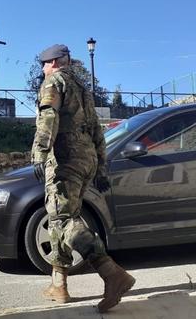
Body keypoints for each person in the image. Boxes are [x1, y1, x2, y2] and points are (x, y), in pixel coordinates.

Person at [32, 44, 135, 312]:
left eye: (44, 64)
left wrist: (39, 151)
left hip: (65, 159)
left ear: (53, 63)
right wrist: (100, 168)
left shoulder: (54, 81)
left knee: (63, 219)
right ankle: (59, 285)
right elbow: (97, 131)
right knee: (61, 218)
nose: (43, 69)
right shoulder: (82, 88)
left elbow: (48, 116)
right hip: (86, 159)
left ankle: (112, 273)